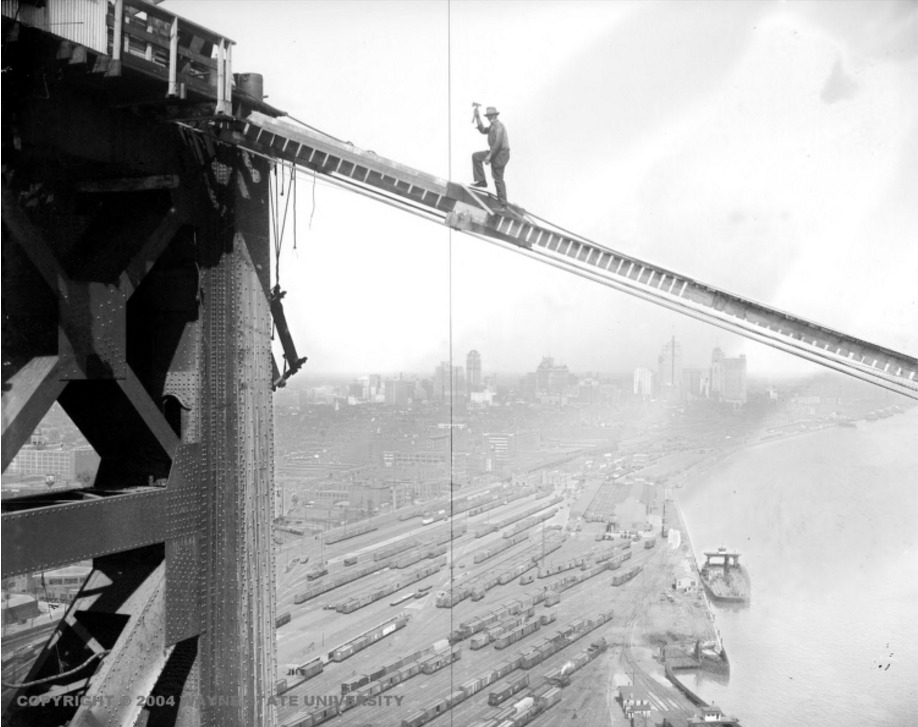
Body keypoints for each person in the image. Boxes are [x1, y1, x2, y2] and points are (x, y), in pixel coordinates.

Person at [471, 106, 510, 208]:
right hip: (495, 152)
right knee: (476, 156)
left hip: (501, 154)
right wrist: (477, 117)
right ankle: (482, 181)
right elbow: (483, 130)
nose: (489, 118)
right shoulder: (492, 126)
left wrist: (489, 155)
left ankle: (503, 205)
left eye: (490, 116)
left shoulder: (498, 126)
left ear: (495, 115)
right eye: (488, 116)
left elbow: (498, 142)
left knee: (498, 179)